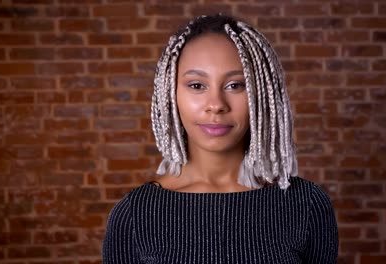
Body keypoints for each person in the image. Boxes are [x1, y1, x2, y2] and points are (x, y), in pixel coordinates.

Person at [103, 14, 338, 263]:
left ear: (261, 94)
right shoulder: (136, 213)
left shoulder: (306, 204)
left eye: (235, 85)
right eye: (196, 85)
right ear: (170, 94)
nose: (216, 105)